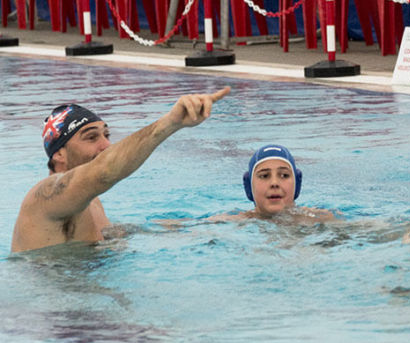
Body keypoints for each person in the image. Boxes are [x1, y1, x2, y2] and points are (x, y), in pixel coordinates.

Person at [11, 87, 231, 253]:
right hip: (51, 312)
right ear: (59, 154)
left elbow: (109, 233)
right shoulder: (45, 196)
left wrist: (201, 224)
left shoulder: (90, 201)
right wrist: (171, 123)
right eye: (91, 137)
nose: (106, 146)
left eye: (106, 135)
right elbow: (104, 170)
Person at [204, 144, 336, 224]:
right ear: (249, 187)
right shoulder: (229, 222)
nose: (274, 183)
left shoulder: (321, 219)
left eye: (284, 175)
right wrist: (181, 124)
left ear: (297, 184)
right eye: (264, 176)